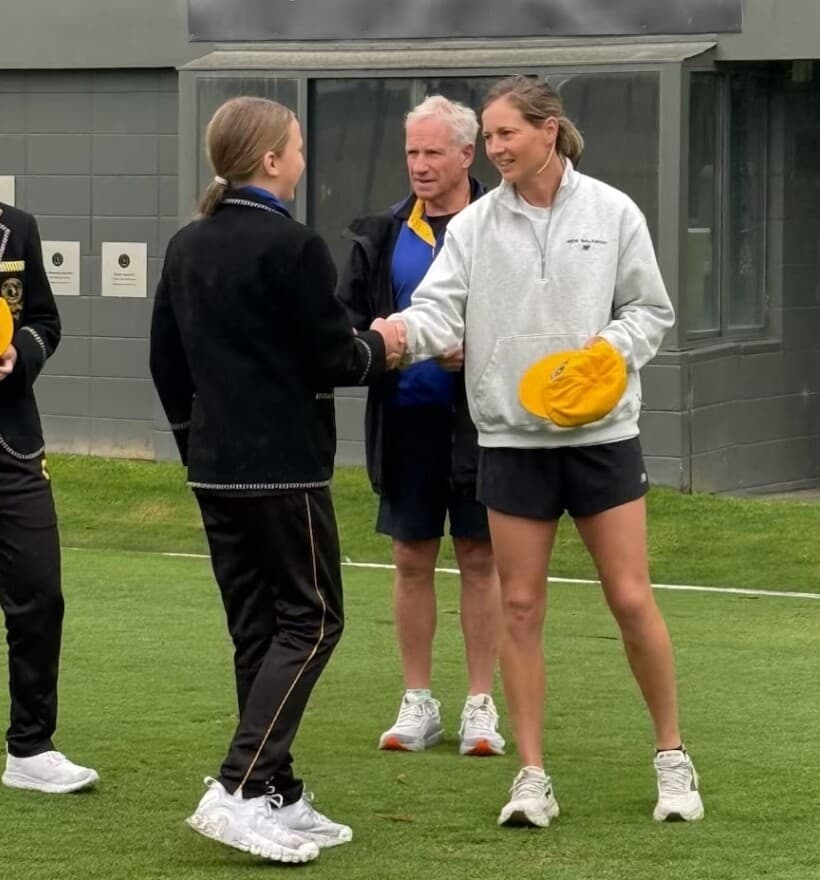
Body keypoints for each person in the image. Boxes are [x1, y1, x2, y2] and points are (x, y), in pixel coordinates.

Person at [373, 76, 704, 827]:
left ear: (547, 131)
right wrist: (393, 339)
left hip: (603, 439)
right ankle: (530, 775)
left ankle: (672, 756)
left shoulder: (613, 211)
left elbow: (650, 310)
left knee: (629, 598)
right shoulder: (475, 225)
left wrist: (605, 356)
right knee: (519, 606)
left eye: (504, 135)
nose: (493, 150)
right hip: (511, 443)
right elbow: (436, 312)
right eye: (487, 138)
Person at [149, 96, 401, 864]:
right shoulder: (295, 248)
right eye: (294, 146)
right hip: (283, 472)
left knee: (259, 630)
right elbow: (335, 356)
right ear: (270, 160)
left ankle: (275, 793)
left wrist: (199, 445)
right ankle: (239, 784)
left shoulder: (189, 244)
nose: (301, 156)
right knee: (314, 620)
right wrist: (384, 344)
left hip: (216, 472)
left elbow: (166, 362)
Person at [337, 95, 504, 757]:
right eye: (412, 151)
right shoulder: (380, 232)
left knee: (480, 557)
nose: (421, 164)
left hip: (482, 425)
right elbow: (348, 324)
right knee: (411, 559)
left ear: (468, 154)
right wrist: (385, 345)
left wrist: (481, 345)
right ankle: (417, 702)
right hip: (405, 422)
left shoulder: (504, 224)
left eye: (434, 152)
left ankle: (481, 705)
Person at [0, 202, 98, 794]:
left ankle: (31, 747)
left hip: (12, 444)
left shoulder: (17, 228)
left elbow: (44, 321)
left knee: (39, 591)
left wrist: (21, 354)